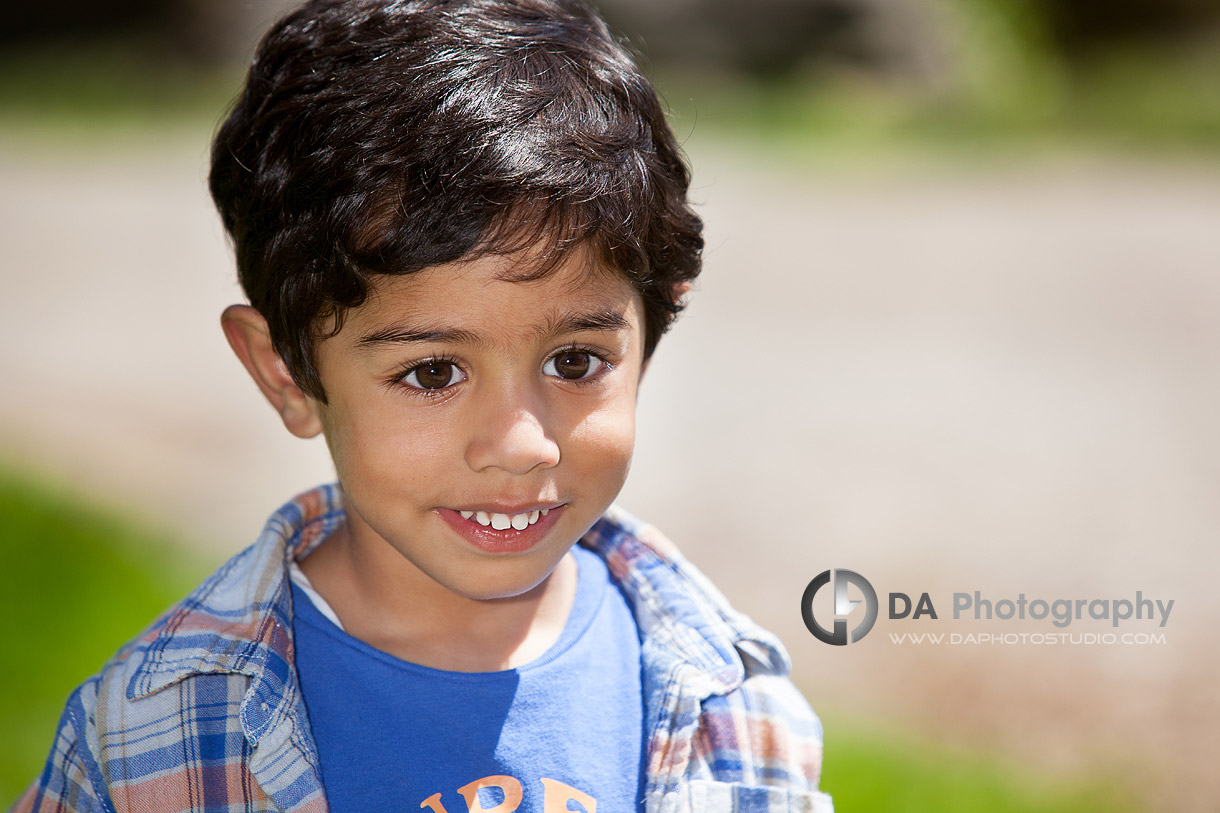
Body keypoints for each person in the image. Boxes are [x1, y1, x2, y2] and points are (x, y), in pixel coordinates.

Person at [14, 1, 833, 810]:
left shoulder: (735, 708)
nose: (521, 444)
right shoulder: (155, 734)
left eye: (575, 361)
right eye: (434, 372)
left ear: (647, 339)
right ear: (286, 373)